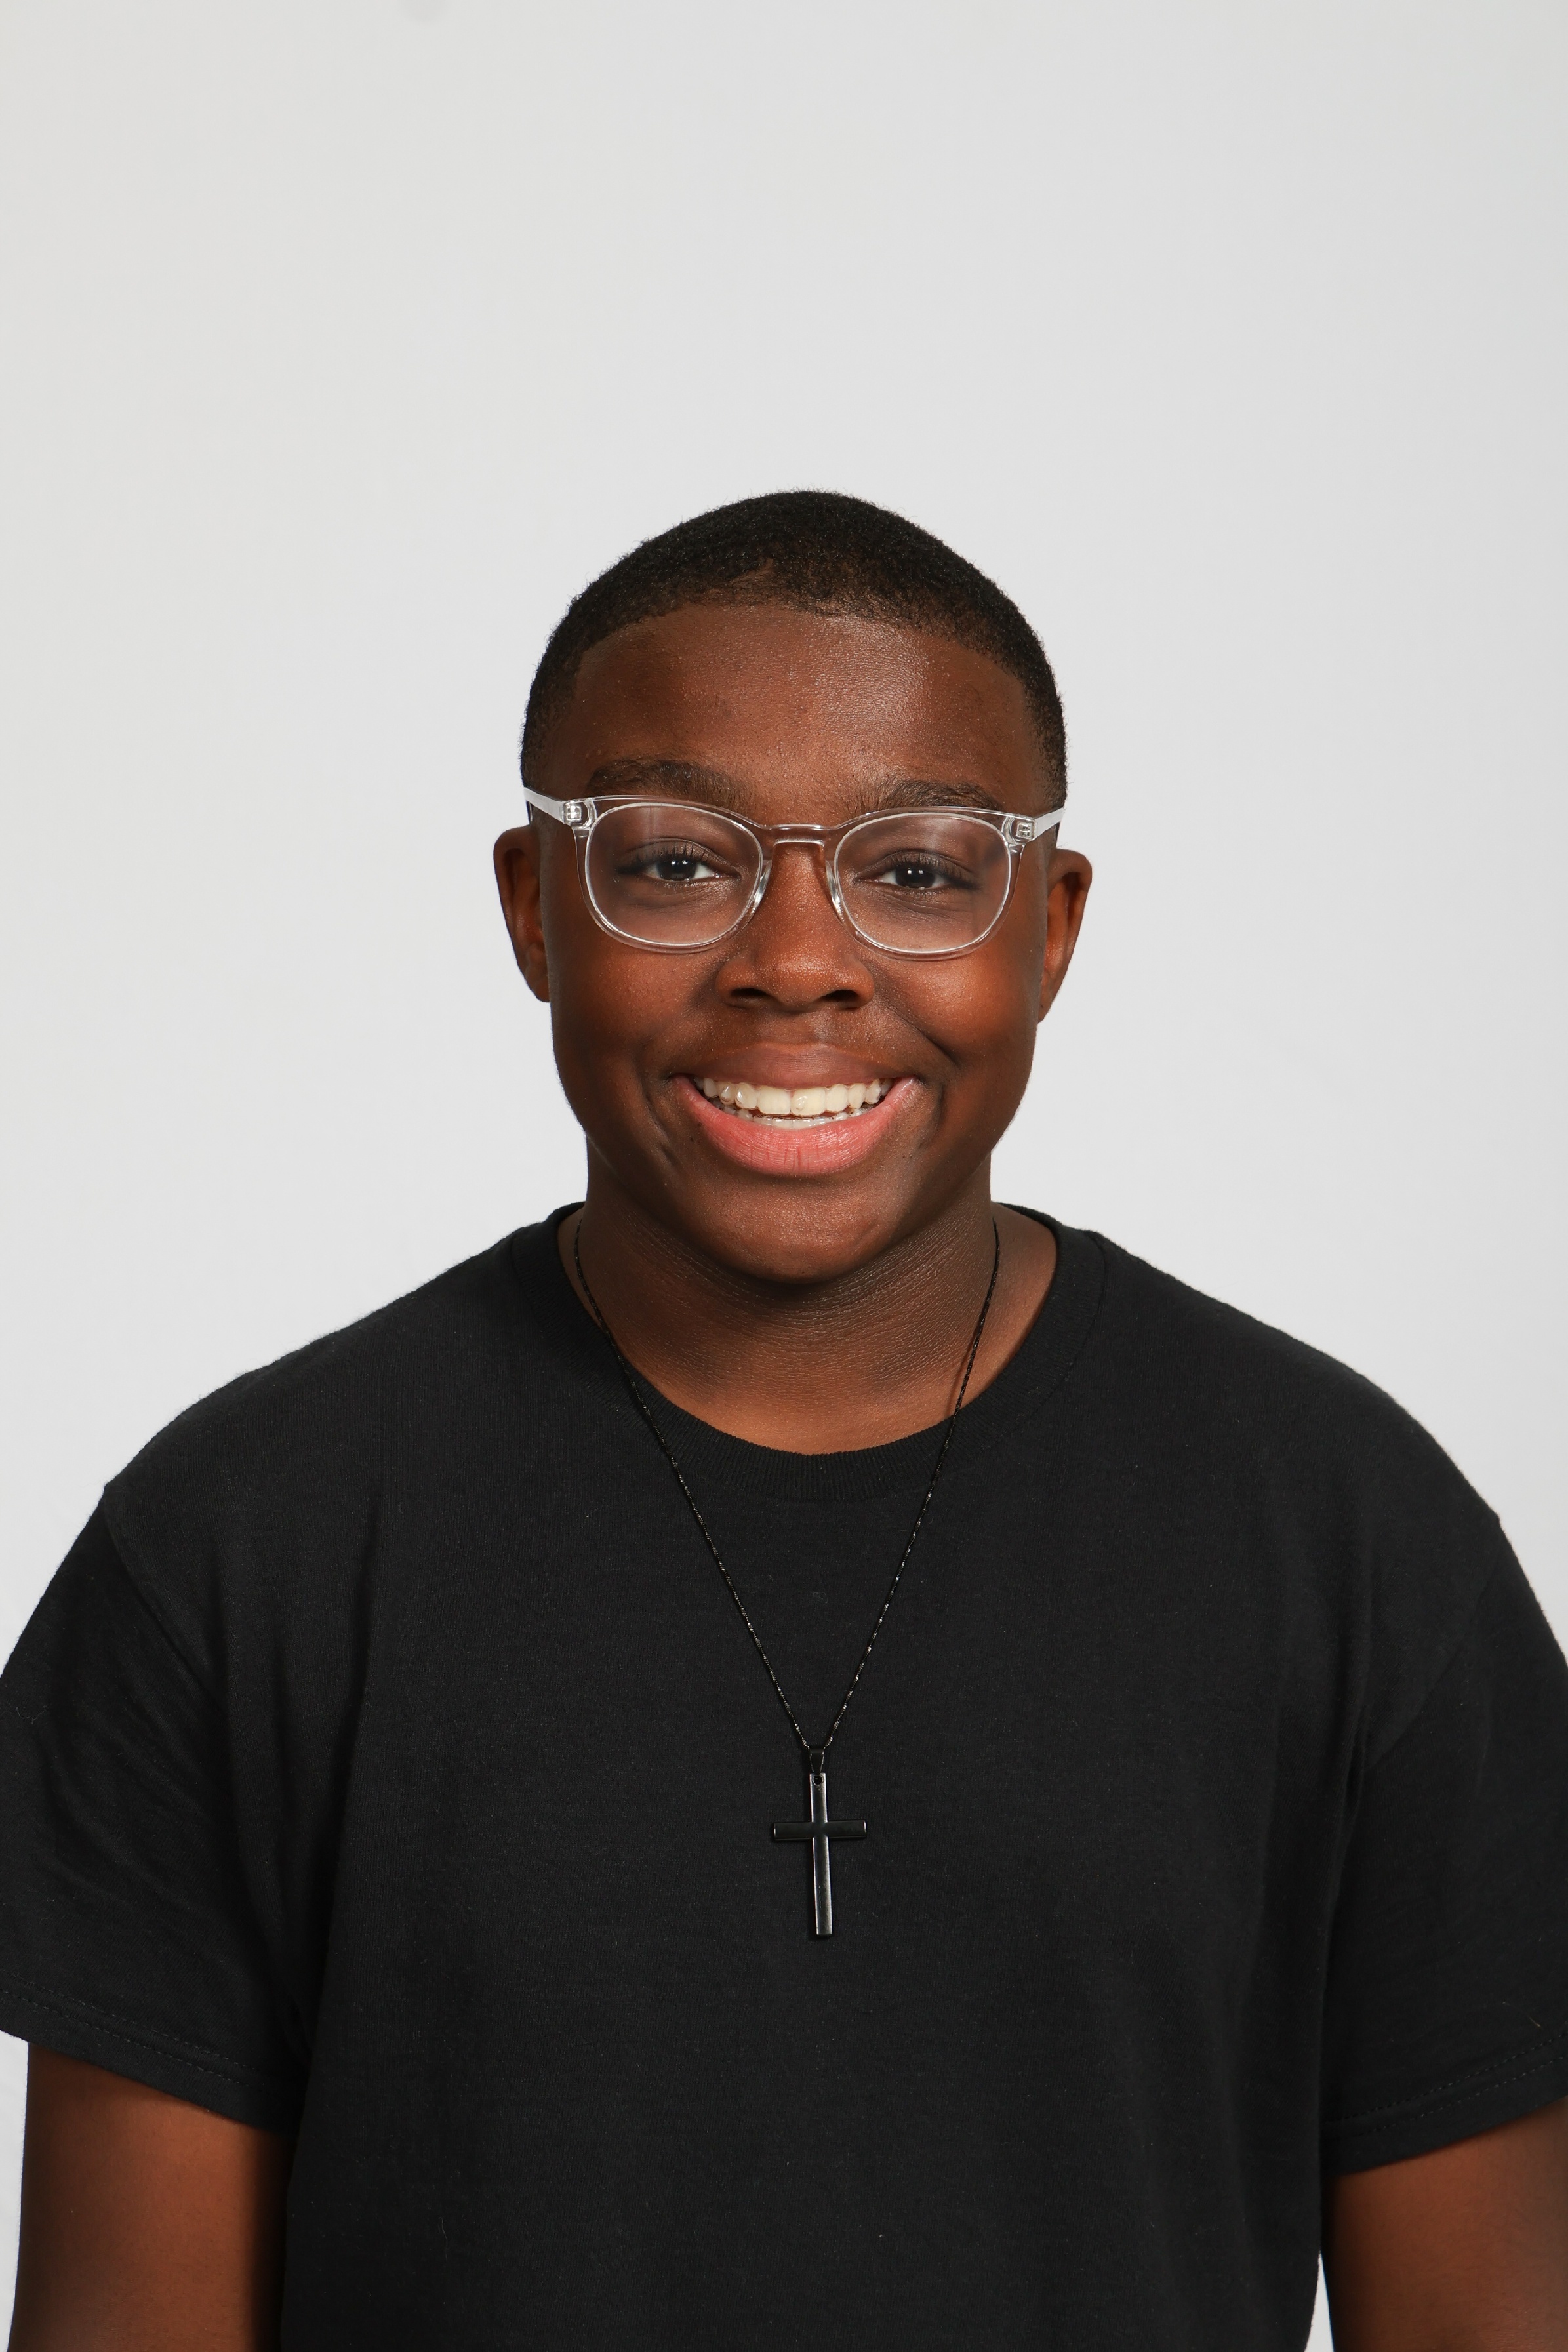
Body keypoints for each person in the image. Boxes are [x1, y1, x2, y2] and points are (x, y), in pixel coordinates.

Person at [2, 490, 1565, 2351]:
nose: (799, 959)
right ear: (534, 907)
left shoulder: (1355, 1547)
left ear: (1051, 927)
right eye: (675, 863)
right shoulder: (240, 1551)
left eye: (922, 870)